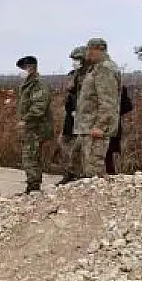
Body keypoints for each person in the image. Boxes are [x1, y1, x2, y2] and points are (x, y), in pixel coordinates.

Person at [72, 37, 122, 178]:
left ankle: (99, 199)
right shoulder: (95, 68)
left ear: (98, 50)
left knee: (94, 172)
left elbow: (108, 101)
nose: (87, 53)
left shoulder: (104, 69)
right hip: (87, 127)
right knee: (87, 171)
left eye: (90, 49)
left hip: (95, 128)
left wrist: (100, 125)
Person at [15, 55, 53, 193]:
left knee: (30, 157)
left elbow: (39, 107)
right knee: (29, 156)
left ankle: (33, 187)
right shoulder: (27, 84)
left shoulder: (38, 84)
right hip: (30, 128)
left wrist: (26, 119)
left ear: (31, 67)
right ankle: (32, 185)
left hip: (37, 127)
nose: (21, 71)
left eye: (23, 68)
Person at [58, 46, 89, 184]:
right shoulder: (75, 75)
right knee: (64, 143)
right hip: (71, 119)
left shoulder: (90, 76)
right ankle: (70, 173)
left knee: (79, 149)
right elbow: (71, 96)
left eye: (77, 59)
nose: (74, 62)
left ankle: (77, 174)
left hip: (84, 120)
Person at [106, 83, 134, 175]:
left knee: (107, 154)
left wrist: (115, 112)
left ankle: (109, 178)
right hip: (112, 124)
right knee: (107, 155)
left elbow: (128, 106)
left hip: (110, 125)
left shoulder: (119, 87)